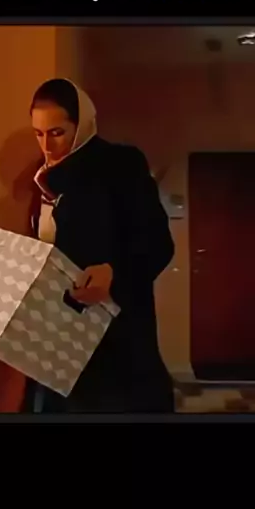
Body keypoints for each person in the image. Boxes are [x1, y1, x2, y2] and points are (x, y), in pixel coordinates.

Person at [20, 78, 175, 413]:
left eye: (57, 132)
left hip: (113, 334)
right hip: (58, 334)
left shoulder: (119, 164)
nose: (47, 145)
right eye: (38, 133)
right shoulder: (43, 178)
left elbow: (158, 243)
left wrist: (113, 273)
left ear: (82, 125)